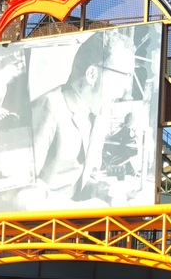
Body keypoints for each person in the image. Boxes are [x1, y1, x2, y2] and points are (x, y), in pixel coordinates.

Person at [31, 30, 136, 207]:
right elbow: (23, 193)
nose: (126, 87)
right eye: (123, 75)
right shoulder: (47, 106)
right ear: (92, 75)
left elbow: (81, 183)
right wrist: (79, 209)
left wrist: (99, 189)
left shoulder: (100, 117)